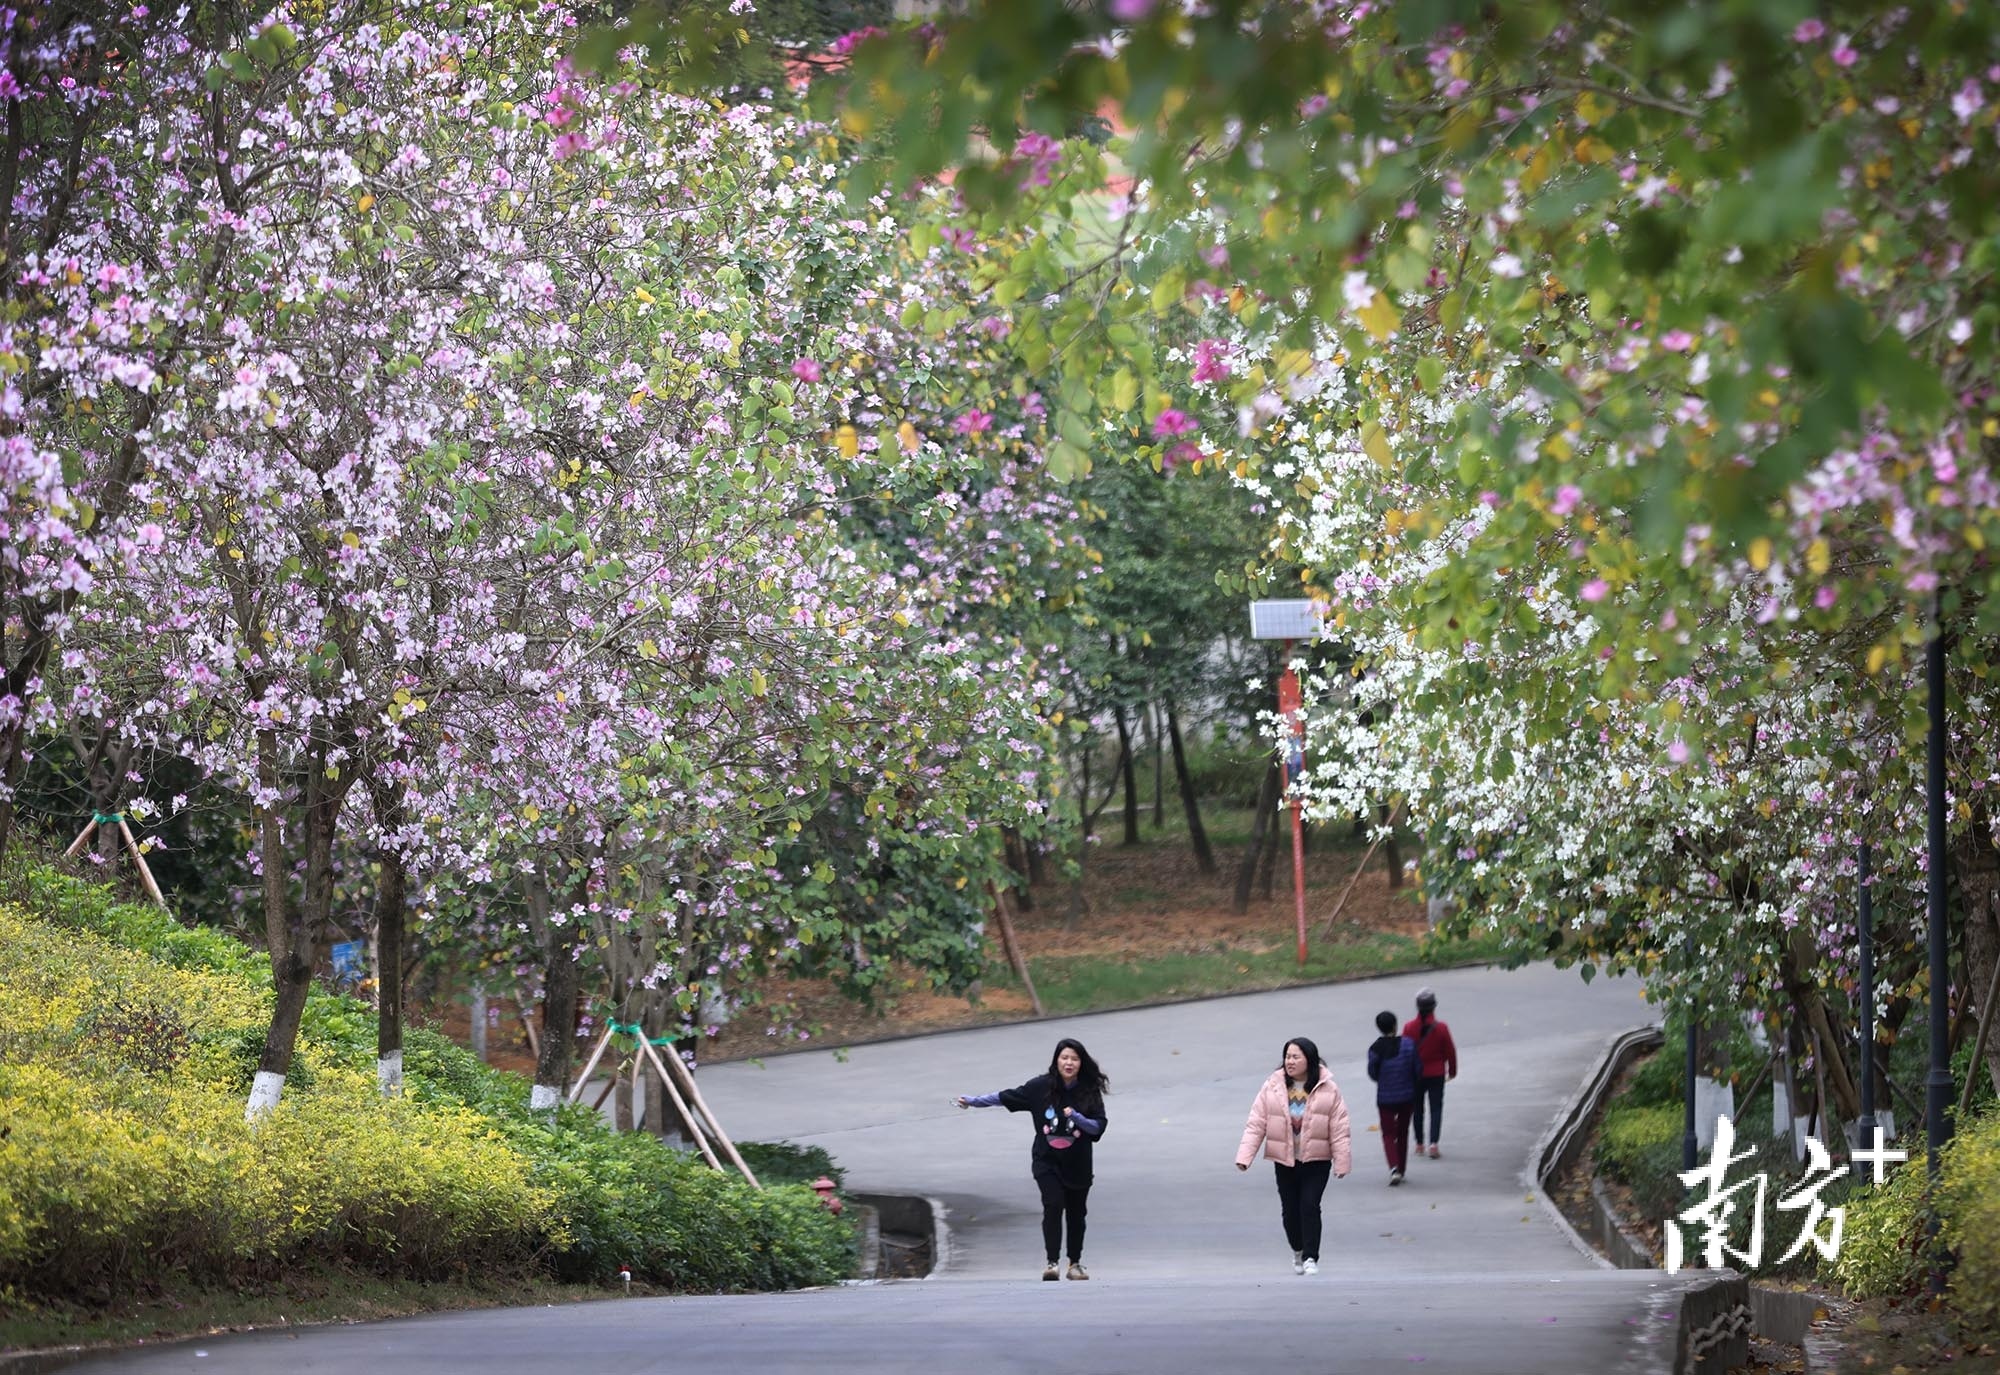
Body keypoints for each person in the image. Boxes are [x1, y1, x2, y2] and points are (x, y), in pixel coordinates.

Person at [956, 1037, 1109, 1280]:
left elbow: (1097, 1128)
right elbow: (1005, 1096)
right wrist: (973, 1101)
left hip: (1078, 1164)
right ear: (1056, 1060)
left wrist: (1077, 1117)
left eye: (1074, 1059)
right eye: (1064, 1057)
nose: (1069, 1063)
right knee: (1053, 1204)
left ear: (1081, 1063)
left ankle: (1075, 1264)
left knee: (1077, 1213)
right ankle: (1052, 1263)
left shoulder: (1088, 1092)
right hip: (1046, 1160)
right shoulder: (1040, 1088)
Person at [1235, 1036, 1350, 1275]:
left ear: (1309, 1059)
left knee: (1310, 1205)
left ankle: (1310, 1257)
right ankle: (1297, 1249)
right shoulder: (1273, 1086)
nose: (1290, 1061)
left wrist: (1342, 1161)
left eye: (1296, 1057)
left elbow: (1339, 1128)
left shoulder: (1328, 1088)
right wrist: (1245, 1156)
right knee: (1289, 1210)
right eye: (1287, 1056)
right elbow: (1256, 1122)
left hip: (1317, 1160)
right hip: (1285, 1160)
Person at [1403, 987, 1459, 1160]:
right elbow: (1450, 1051)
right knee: (1436, 1108)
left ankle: (1419, 1144)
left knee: (1417, 1109)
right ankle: (1433, 1144)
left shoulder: (1408, 1027)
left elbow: (1404, 1052)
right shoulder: (1441, 1028)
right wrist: (1452, 1071)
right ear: (1434, 1006)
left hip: (1416, 1075)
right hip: (1436, 1074)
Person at [1367, 1010, 1422, 1185]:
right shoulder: (1408, 1044)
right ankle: (1402, 1168)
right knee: (1403, 1132)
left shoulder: (1375, 1049)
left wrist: (1383, 1080)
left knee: (1388, 1133)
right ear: (1395, 1025)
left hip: (1385, 1098)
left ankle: (1393, 1167)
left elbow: (1373, 1072)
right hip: (1407, 1096)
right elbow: (1417, 1068)